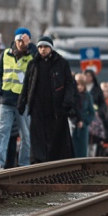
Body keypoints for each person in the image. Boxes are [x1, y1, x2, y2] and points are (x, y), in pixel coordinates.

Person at [17, 35, 76, 164]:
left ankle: (56, 162)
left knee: (56, 136)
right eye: (40, 47)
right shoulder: (33, 64)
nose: (42, 49)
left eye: (45, 47)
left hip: (56, 107)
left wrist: (67, 102)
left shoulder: (62, 63)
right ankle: (38, 161)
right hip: (37, 106)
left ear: (51, 48)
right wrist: (22, 101)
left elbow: (69, 84)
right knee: (37, 135)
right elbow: (27, 84)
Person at [0, 27, 34, 170]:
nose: (21, 43)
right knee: (2, 131)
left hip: (23, 101)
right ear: (14, 41)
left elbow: (38, 60)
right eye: (19, 40)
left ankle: (24, 164)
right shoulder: (5, 54)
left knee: (25, 134)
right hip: (7, 98)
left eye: (24, 41)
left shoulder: (31, 56)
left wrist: (31, 46)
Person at [71, 72, 96, 158]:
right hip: (73, 125)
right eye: (78, 85)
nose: (79, 87)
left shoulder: (87, 96)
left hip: (83, 127)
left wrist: (84, 122)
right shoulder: (72, 95)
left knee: (82, 151)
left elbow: (91, 112)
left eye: (82, 85)